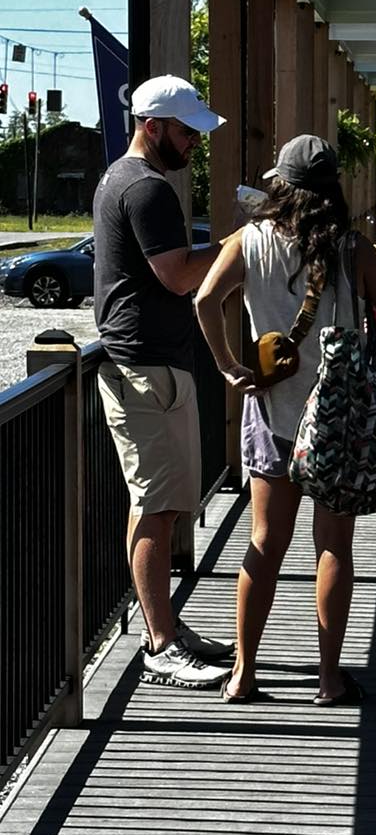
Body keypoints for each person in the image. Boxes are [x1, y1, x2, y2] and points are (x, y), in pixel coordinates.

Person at [195, 135, 376, 705]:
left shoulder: (249, 241)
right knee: (333, 544)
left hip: (271, 408)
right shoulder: (353, 247)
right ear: (332, 189)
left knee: (265, 541)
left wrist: (229, 366)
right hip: (339, 418)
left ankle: (243, 673)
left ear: (281, 186)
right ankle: (328, 677)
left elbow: (204, 300)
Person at [93, 74, 235, 690]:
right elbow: (178, 278)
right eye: (186, 132)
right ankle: (159, 645)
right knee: (155, 508)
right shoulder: (147, 188)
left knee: (162, 505)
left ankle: (167, 629)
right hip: (145, 368)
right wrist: (236, 245)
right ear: (152, 125)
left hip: (146, 364)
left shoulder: (118, 179)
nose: (194, 144)